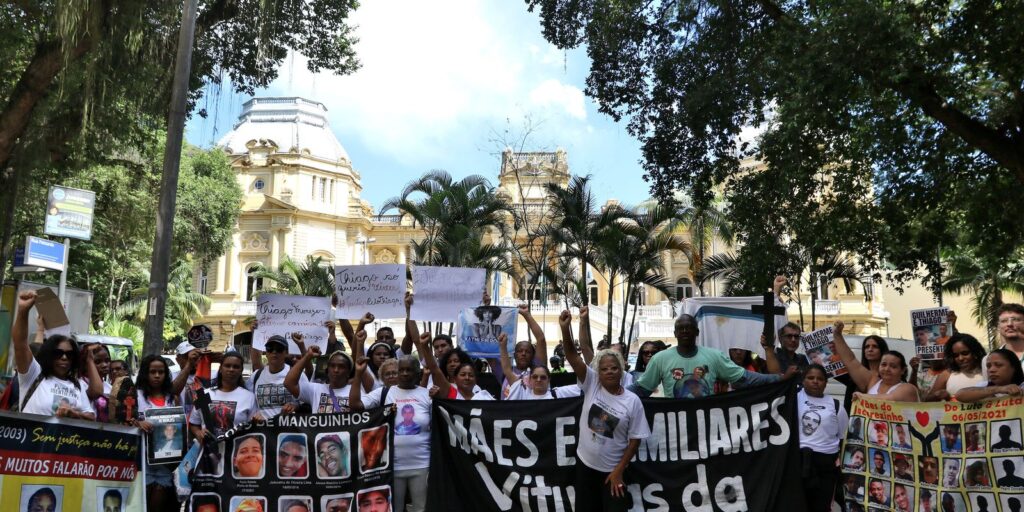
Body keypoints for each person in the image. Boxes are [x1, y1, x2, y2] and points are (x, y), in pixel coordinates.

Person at [559, 309, 650, 512]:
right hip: (585, 467)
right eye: (604, 368)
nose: (609, 371)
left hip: (613, 473)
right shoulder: (591, 384)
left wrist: (618, 471)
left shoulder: (632, 401)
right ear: (598, 372)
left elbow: (635, 441)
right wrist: (565, 329)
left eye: (614, 368)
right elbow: (573, 355)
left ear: (622, 370)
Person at [350, 324, 432, 512]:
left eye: (408, 370)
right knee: (392, 509)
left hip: (422, 464)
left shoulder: (427, 395)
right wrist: (358, 374)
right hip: (390, 466)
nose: (403, 374)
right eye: (400, 370)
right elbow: (355, 405)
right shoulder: (384, 393)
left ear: (417, 373)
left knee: (421, 509)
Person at [631, 313, 786, 399]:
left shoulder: (714, 356)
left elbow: (745, 379)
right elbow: (641, 389)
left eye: (689, 327)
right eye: (681, 328)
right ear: (675, 333)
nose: (685, 331)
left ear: (697, 332)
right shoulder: (660, 359)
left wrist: (779, 378)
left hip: (707, 428)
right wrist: (612, 393)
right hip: (674, 430)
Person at [11, 291, 97, 420]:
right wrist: (23, 311)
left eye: (69, 354)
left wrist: (74, 414)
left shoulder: (77, 385)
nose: (64, 358)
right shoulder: (33, 375)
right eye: (58, 353)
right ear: (48, 355)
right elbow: (20, 343)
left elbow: (91, 416)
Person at [131, 355, 181, 510]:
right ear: (145, 373)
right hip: (139, 460)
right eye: (152, 372)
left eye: (161, 372)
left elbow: (179, 425)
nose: (157, 375)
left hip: (164, 462)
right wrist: (138, 423)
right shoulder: (135, 395)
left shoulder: (172, 398)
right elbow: (126, 421)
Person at [797, 364, 848, 512]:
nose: (815, 381)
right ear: (803, 380)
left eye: (820, 379)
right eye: (810, 377)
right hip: (797, 462)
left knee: (821, 506)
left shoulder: (836, 405)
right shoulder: (793, 398)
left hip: (824, 466)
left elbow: (842, 435)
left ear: (826, 383)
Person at [831, 321, 919, 401]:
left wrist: (862, 396)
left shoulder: (908, 388)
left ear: (903, 370)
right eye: (884, 364)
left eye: (893, 366)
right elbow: (850, 360)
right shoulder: (872, 381)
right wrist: (837, 335)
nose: (887, 369)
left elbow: (890, 398)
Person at [189, 350, 262, 440]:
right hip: (208, 451)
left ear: (241, 371)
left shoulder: (249, 397)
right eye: (227, 366)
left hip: (236, 451)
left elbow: (253, 428)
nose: (231, 369)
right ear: (220, 369)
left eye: (236, 367)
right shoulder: (204, 394)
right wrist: (198, 433)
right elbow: (194, 423)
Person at [287, 334, 358, 413]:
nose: (336, 370)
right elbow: (289, 383)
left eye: (341, 366)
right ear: (327, 369)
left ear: (349, 372)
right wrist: (307, 356)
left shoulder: (356, 393)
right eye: (332, 366)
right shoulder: (315, 390)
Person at [247, 335, 306, 418]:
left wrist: (295, 407)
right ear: (266, 353)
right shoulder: (256, 375)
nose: (274, 352)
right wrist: (254, 416)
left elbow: (307, 403)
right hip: (263, 429)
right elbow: (248, 403)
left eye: (279, 349)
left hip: (288, 428)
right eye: (270, 348)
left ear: (286, 353)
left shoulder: (298, 375)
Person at [501, 304, 550, 398]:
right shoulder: (504, 371)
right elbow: (487, 350)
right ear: (514, 355)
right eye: (520, 351)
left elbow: (541, 339)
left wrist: (527, 315)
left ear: (533, 355)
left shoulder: (537, 371)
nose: (523, 354)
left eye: (527, 352)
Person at [427, 333, 495, 401]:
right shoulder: (441, 386)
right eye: (449, 362)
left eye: (456, 361)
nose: (452, 364)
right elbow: (434, 368)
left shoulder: (479, 392)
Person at [834, 335, 889, 411]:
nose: (870, 349)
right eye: (866, 347)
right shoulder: (853, 373)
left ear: (882, 350)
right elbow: (847, 360)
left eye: (875, 346)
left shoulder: (890, 375)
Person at [925, 333, 986, 401]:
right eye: (956, 355)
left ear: (975, 352)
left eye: (965, 353)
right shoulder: (947, 374)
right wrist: (937, 395)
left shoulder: (986, 371)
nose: (960, 358)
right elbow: (927, 400)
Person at [955, 348, 1024, 402]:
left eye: (998, 365)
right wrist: (999, 389)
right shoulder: (984, 386)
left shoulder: (1022, 386)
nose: (991, 370)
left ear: (1014, 367)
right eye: (988, 366)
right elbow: (959, 395)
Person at [983, 304, 1024, 378]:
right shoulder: (988, 359)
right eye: (1004, 321)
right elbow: (987, 386)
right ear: (998, 326)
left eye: (1016, 320)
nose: (1009, 324)